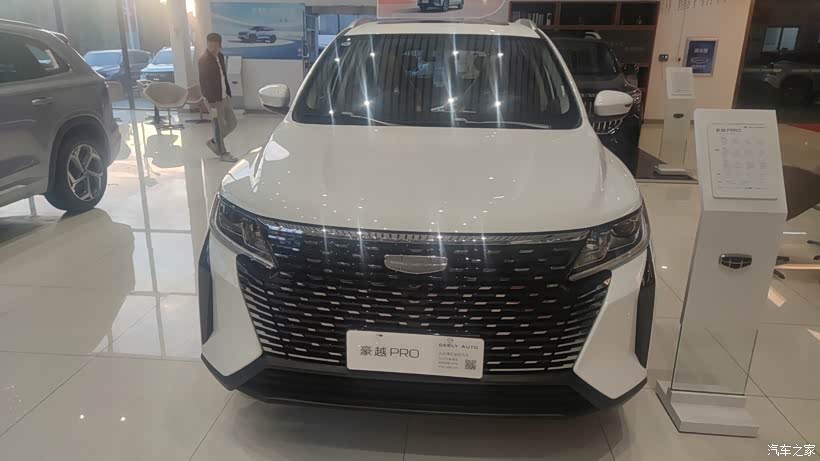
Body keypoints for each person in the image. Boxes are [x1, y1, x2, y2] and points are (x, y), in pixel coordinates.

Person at [199, 33, 238, 162]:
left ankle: (214, 142)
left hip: (223, 96)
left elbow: (223, 76)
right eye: (210, 46)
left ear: (220, 45)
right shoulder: (204, 60)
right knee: (218, 126)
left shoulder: (220, 56)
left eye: (215, 46)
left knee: (232, 123)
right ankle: (223, 153)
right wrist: (211, 103)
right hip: (213, 100)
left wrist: (228, 93)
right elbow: (204, 83)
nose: (212, 49)